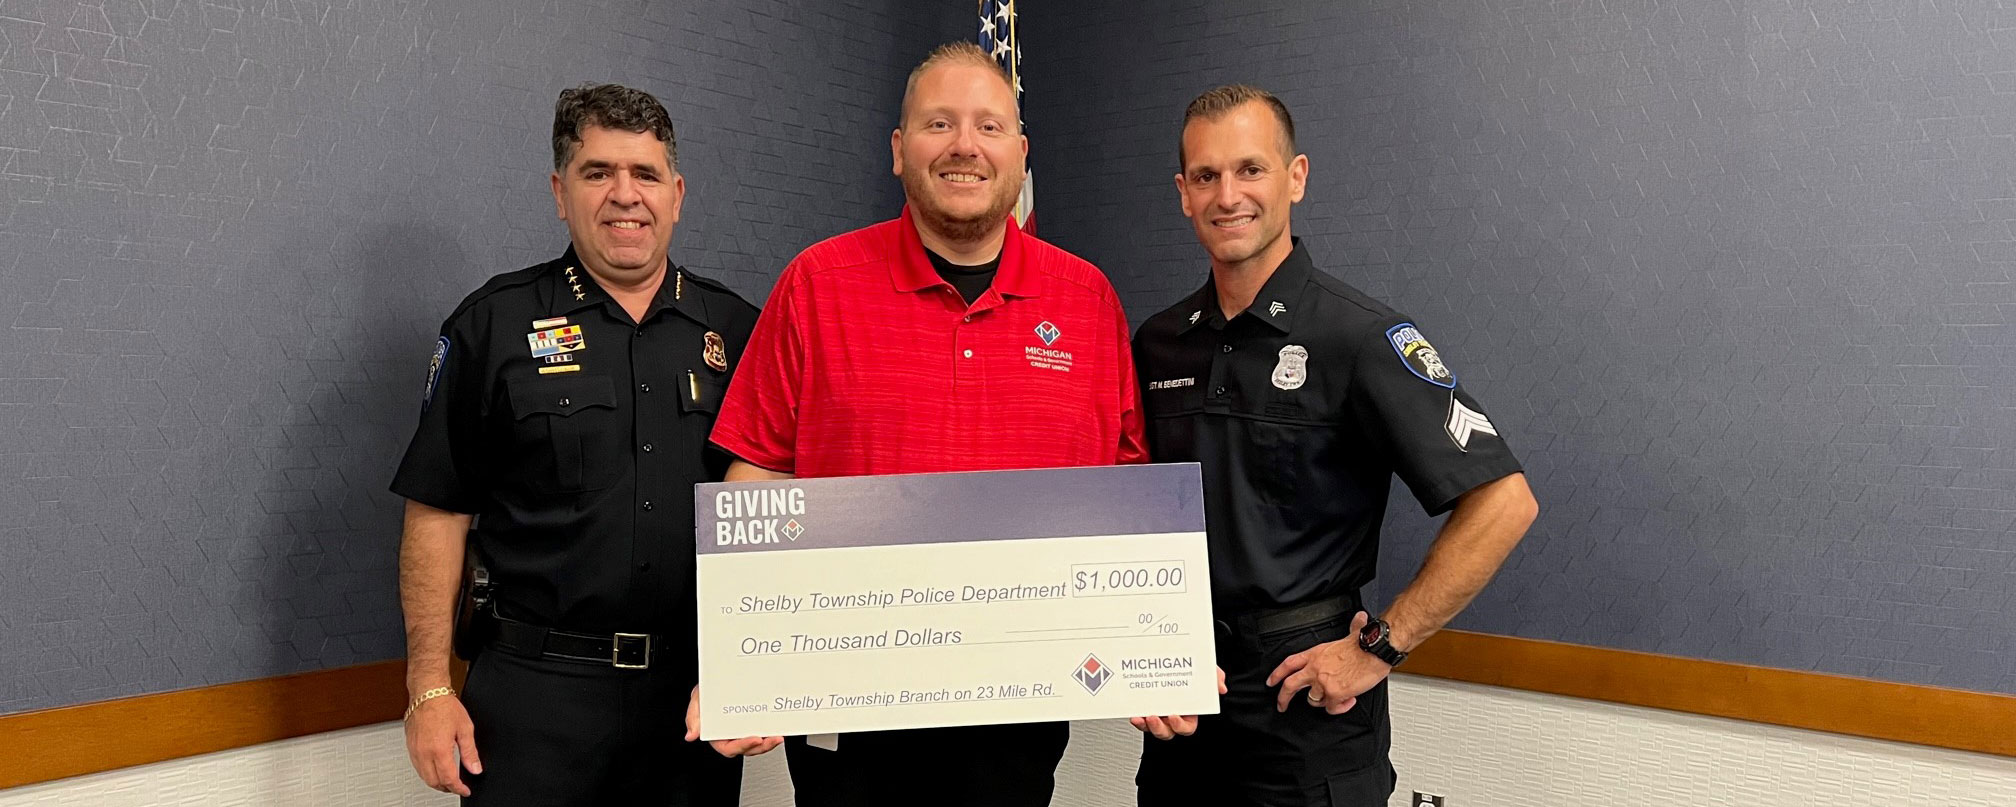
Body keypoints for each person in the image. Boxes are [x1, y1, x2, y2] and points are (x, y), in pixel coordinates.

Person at [691, 41, 1148, 807]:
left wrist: (1151, 648)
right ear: (900, 151)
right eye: (939, 124)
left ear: (1020, 152)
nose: (965, 145)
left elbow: (1125, 494)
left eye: (989, 126)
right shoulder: (816, 284)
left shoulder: (1087, 300)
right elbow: (759, 478)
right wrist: (750, 655)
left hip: (1019, 706)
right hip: (849, 706)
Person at [1131, 84, 1540, 806]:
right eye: (1206, 175)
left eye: (1251, 169)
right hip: (1187, 712)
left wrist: (1379, 647)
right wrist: (1141, 653)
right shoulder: (1160, 344)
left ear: (1296, 178)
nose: (1229, 195)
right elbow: (1130, 518)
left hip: (1310, 715)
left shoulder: (1360, 337)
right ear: (1183, 194)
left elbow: (1503, 501)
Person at [391, 83, 757, 805]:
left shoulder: (739, 332)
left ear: (676, 194)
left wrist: (759, 669)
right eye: (599, 173)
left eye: (646, 174)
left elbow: (774, 501)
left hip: (690, 701)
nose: (626, 195)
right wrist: (427, 688)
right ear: (561, 191)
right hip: (535, 698)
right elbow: (438, 512)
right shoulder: (491, 327)